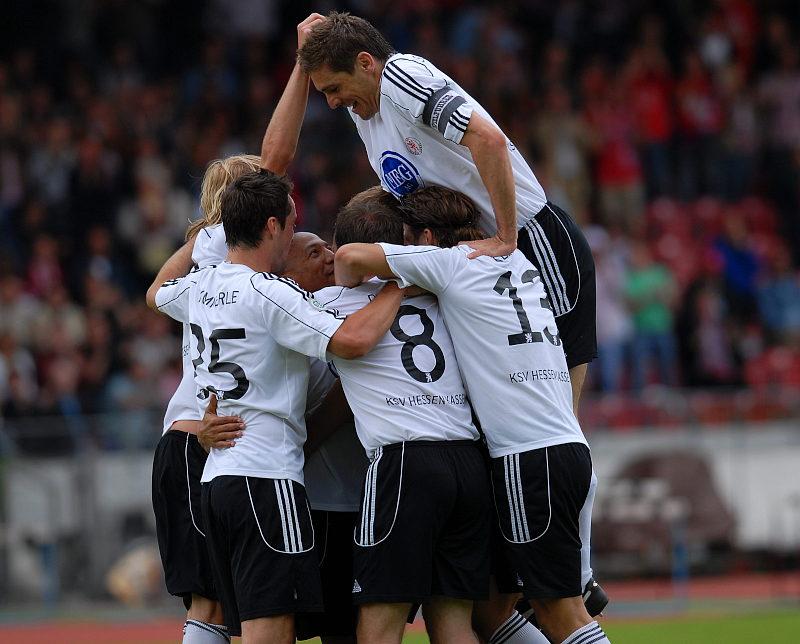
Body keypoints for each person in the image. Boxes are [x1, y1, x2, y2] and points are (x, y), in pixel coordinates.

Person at [334, 186, 611, 644]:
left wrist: (397, 278)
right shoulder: (517, 262)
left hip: (528, 458)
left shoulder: (449, 264)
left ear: (426, 238)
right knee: (492, 613)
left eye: (407, 239)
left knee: (559, 612)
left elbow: (348, 258)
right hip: (565, 447)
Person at [148, 170, 406, 644]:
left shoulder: (200, 286)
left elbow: (156, 293)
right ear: (271, 226)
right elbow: (352, 341)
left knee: (229, 620)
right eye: (292, 223)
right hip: (266, 477)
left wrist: (202, 238)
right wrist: (402, 283)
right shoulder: (269, 292)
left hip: (218, 477)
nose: (293, 231)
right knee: (271, 629)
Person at [296, 11, 597, 414]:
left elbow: (487, 140)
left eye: (334, 88)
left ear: (366, 63)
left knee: (558, 411)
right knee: (517, 413)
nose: (332, 102)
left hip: (532, 240)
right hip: (479, 261)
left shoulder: (400, 76)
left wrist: (506, 236)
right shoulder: (363, 108)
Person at [145, 17, 329, 642]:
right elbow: (276, 160)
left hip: (199, 436)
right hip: (208, 440)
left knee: (219, 608)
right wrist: (302, 66)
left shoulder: (210, 260)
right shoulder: (227, 243)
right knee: (219, 609)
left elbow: (155, 294)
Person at [312, 187, 490, 644]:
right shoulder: (441, 295)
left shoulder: (329, 305)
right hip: (468, 461)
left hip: (405, 461)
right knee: (455, 624)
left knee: (379, 623)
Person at [199, 231, 367, 644]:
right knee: (284, 625)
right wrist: (207, 426)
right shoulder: (276, 311)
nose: (330, 257)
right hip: (311, 500)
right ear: (285, 274)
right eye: (314, 253)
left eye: (328, 248)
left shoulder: (341, 306)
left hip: (348, 496)